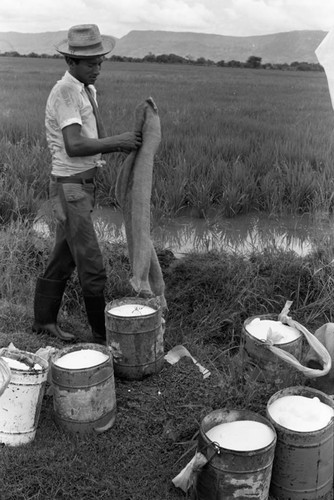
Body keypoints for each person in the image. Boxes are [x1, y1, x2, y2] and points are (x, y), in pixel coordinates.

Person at [32, 24, 142, 344]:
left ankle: (43, 321)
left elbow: (89, 141)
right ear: (71, 62)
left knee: (64, 257)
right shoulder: (66, 92)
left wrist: (118, 144)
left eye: (100, 62)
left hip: (81, 185)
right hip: (71, 187)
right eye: (91, 63)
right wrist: (116, 142)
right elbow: (75, 145)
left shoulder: (85, 89)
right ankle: (101, 339)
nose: (98, 69)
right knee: (92, 266)